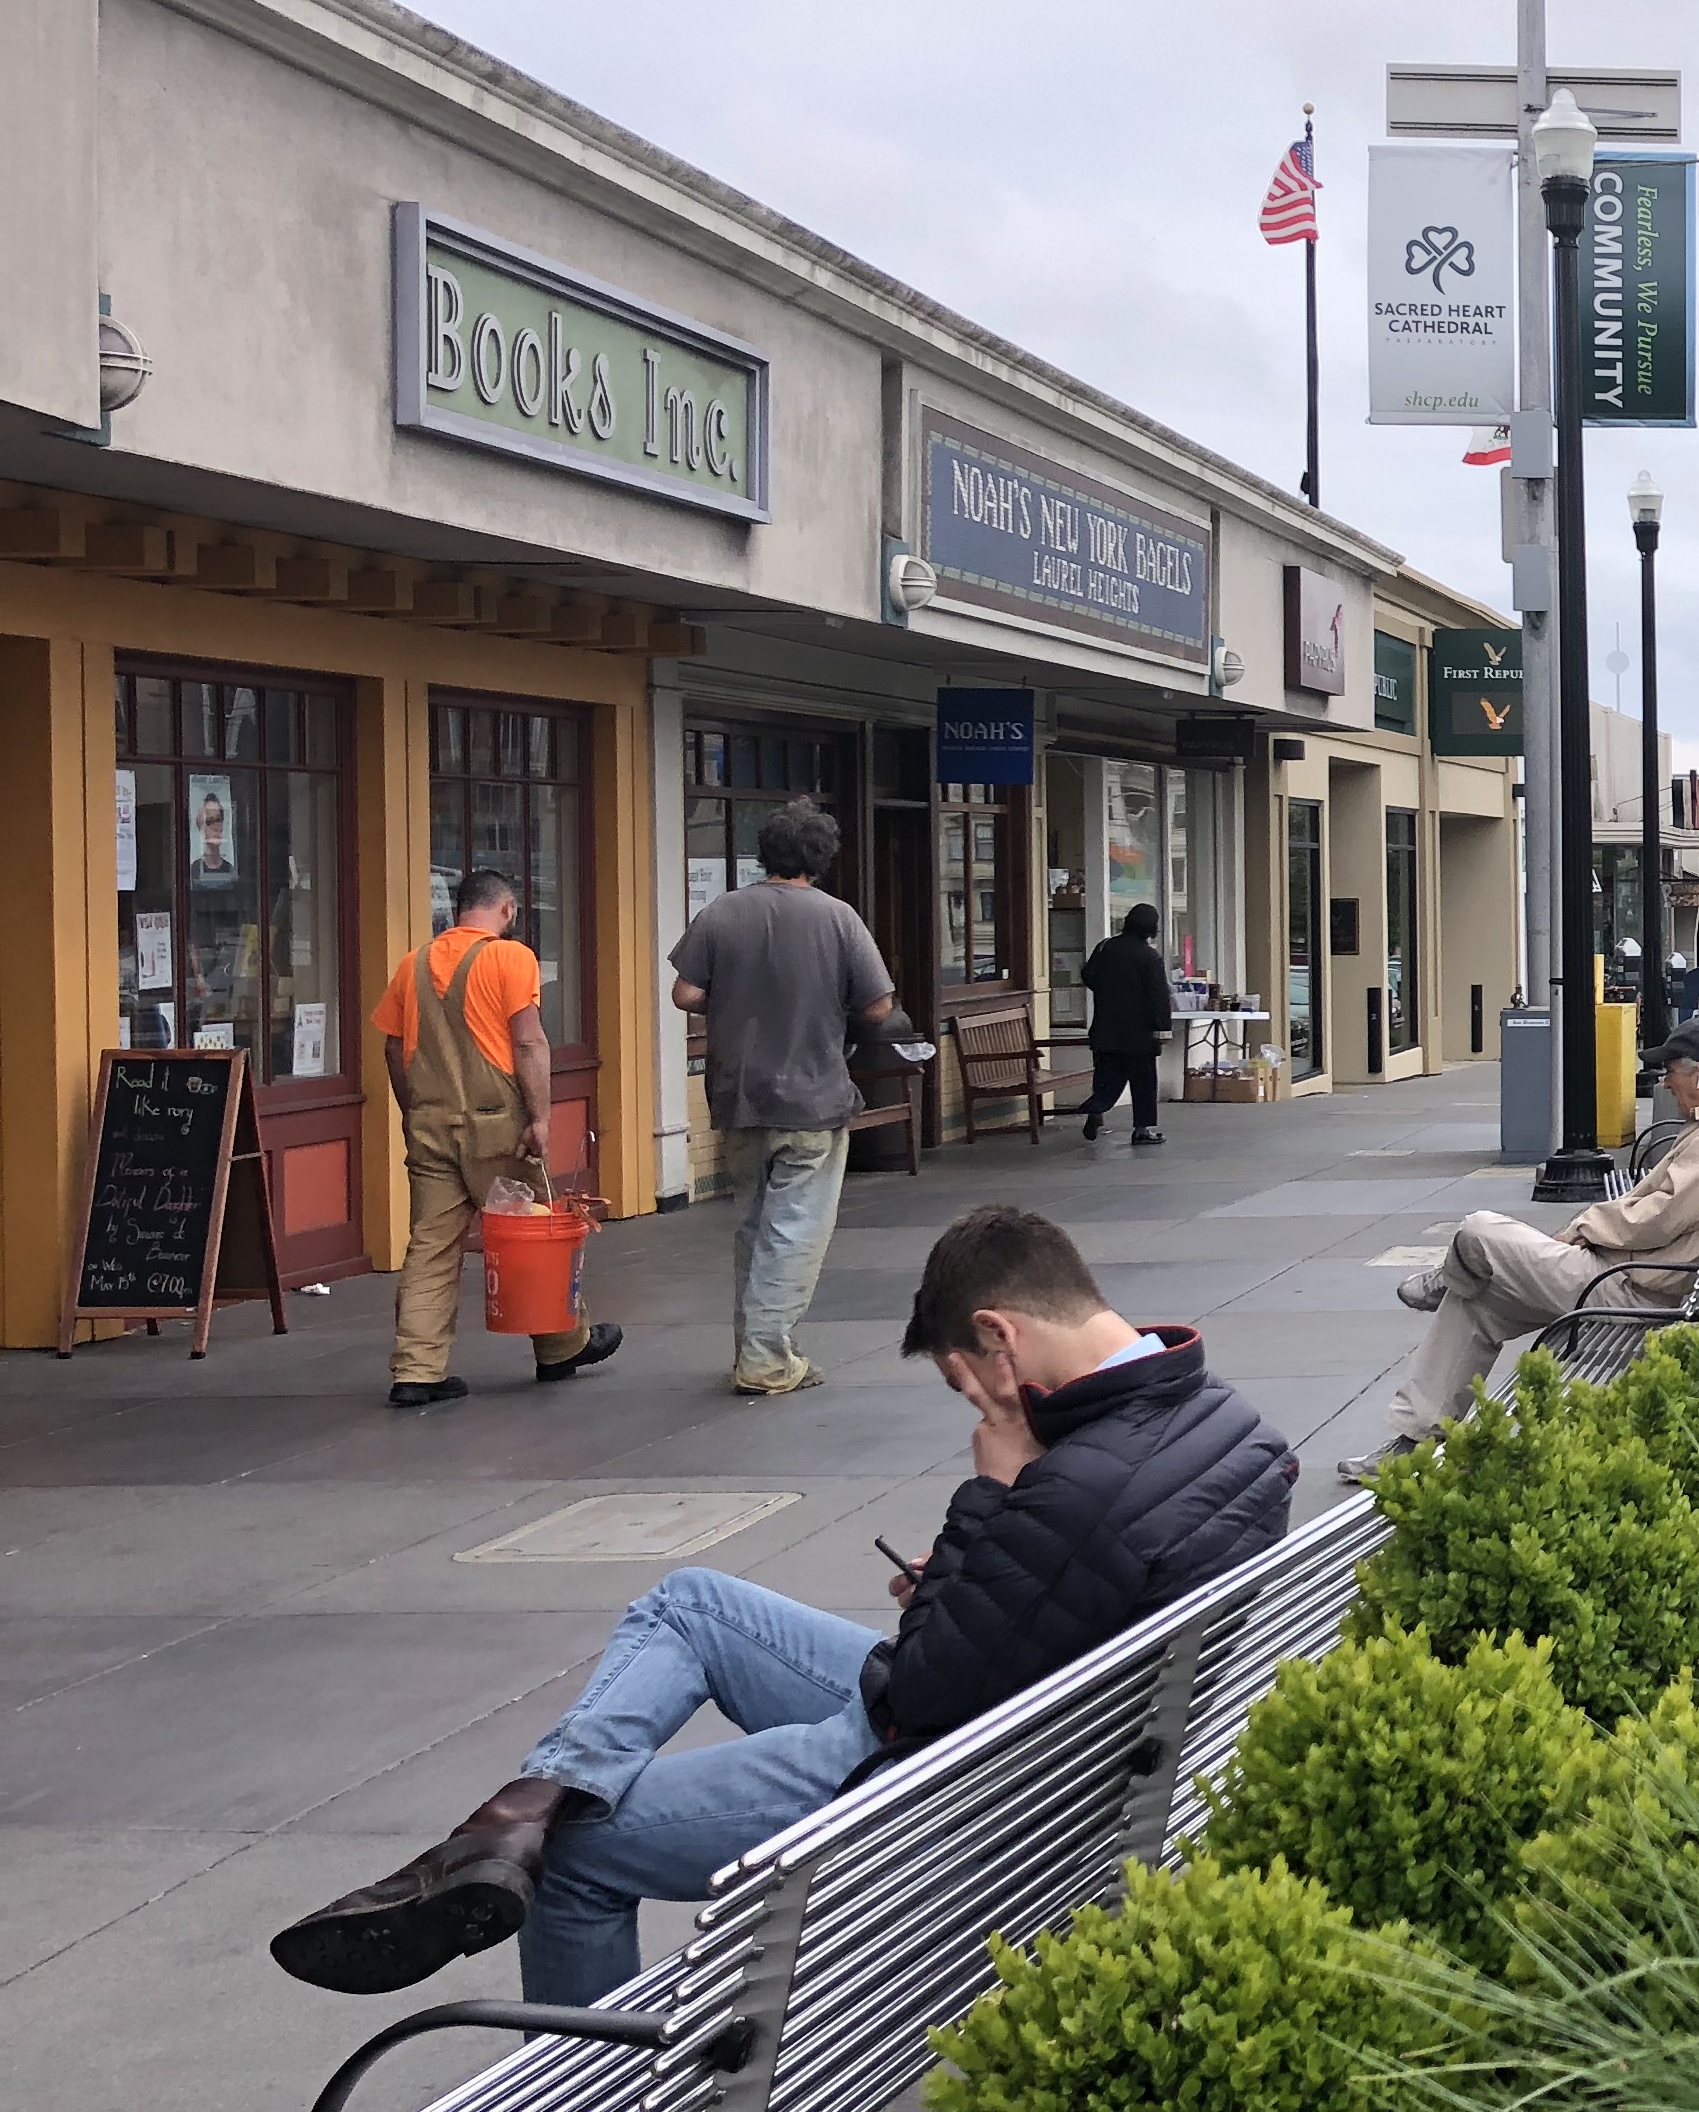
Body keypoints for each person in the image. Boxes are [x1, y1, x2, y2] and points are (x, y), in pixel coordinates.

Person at [268, 1203, 1295, 2006]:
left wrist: (991, 1496)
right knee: (691, 1602)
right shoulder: (1224, 1419)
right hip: (1052, 1728)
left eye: (965, 1385)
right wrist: (975, 1564)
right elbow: (1041, 1602)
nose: (977, 1406)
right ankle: (525, 1804)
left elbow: (920, 1699)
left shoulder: (1067, 1486)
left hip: (945, 1769)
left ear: (1000, 1338)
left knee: (573, 1858)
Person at [1385, 1014, 1699, 1442]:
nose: (1664, 1083)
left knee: (1479, 1232)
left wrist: (1585, 1226)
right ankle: (1416, 1437)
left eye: (1670, 1071)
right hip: (1623, 1273)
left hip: (1630, 1290)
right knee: (1477, 1302)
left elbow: (1660, 1217)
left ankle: (1452, 1273)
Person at [667, 800, 902, 1396]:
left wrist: (736, 996)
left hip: (739, 1094)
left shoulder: (723, 911)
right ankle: (767, 1357)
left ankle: (758, 1345)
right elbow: (878, 1005)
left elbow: (685, 993)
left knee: (754, 1224)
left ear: (763, 853)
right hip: (813, 1096)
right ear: (820, 858)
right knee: (795, 1230)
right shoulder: (838, 918)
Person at [372, 868, 623, 1410]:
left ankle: (416, 1371)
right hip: (497, 1129)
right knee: (532, 1233)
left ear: (458, 910)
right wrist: (540, 1118)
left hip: (431, 1128)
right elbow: (529, 1043)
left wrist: (414, 1110)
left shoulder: (410, 967)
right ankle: (561, 1346)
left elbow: (393, 1051)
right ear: (506, 910)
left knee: (431, 1247)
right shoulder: (512, 958)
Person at [1077, 901, 1173, 1146]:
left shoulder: (1105, 947)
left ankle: (1096, 1107)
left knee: (1107, 1077)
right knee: (1143, 1082)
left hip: (1105, 1028)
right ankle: (1142, 1129)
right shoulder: (1150, 957)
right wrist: (1162, 1027)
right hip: (1139, 1034)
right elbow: (1158, 996)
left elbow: (1089, 975)